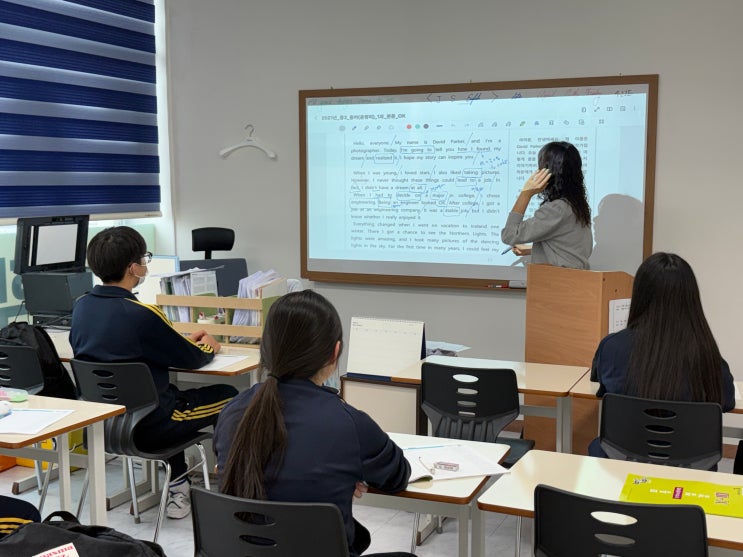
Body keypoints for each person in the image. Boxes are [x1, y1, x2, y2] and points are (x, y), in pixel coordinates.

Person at [214, 290, 413, 557]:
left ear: (265, 349)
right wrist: (352, 472)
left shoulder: (232, 412)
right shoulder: (350, 425)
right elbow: (397, 477)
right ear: (334, 353)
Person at [70, 226, 238, 519]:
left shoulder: (80, 308)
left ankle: (179, 484)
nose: (144, 264)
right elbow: (193, 358)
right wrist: (209, 346)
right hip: (151, 429)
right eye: (143, 258)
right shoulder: (143, 314)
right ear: (133, 268)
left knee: (163, 398)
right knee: (231, 396)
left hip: (104, 426)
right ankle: (232, 486)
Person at [589, 252, 735, 457]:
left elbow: (603, 388)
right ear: (691, 299)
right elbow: (727, 402)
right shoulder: (708, 356)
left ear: (640, 295)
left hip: (622, 462)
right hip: (691, 465)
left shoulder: (611, 347)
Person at [501, 141, 593, 269]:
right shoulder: (576, 207)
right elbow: (572, 250)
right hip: (573, 279)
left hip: (557, 280)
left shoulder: (556, 209)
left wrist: (525, 193)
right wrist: (532, 250)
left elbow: (509, 235)